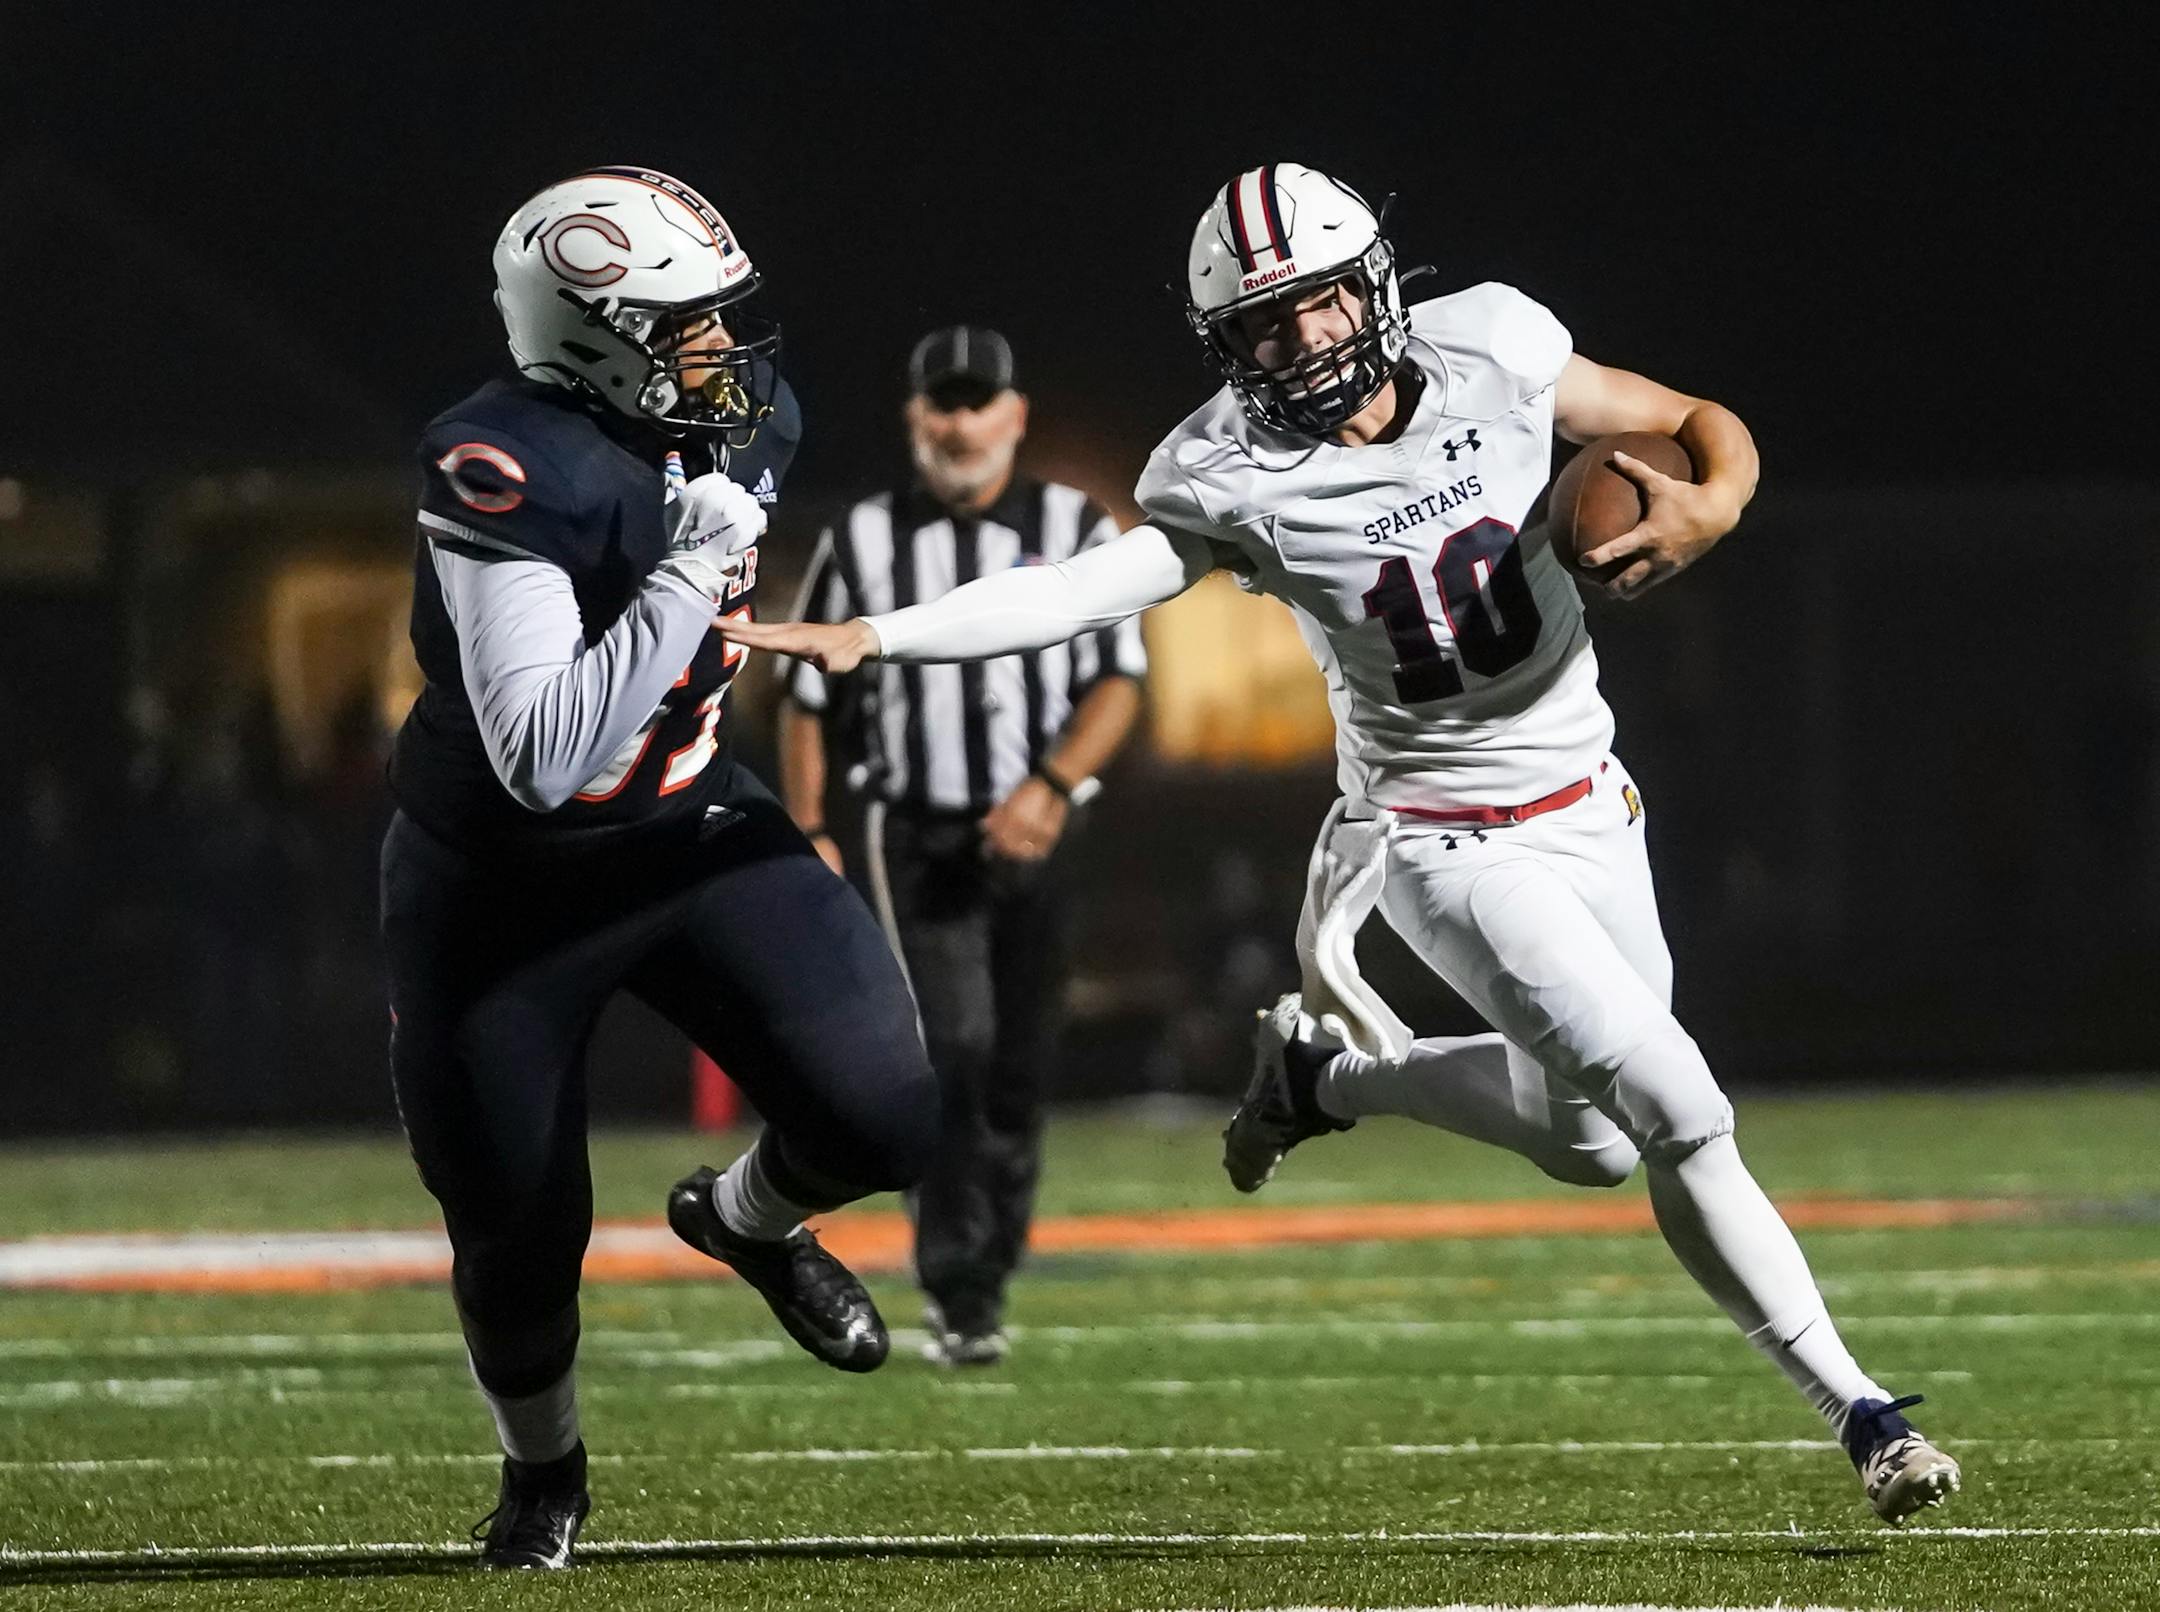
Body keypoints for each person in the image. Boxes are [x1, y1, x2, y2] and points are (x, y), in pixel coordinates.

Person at [722, 162, 1961, 1525]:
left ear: (1373, 283)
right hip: (1437, 840)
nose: (1301, 340)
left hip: (1589, 800)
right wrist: (877, 635)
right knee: (1680, 1105)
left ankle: (1325, 1082)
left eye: (1316, 302)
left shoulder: (1495, 343)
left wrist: (1716, 496)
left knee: (1599, 1148)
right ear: (1225, 344)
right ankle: (1865, 1415)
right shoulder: (1224, 470)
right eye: (1261, 324)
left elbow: (1689, 420)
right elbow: (1079, 589)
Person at [381, 166, 937, 1570]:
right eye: (689, 326)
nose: (724, 349)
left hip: (692, 829)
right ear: (593, 338)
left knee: (884, 1115)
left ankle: (746, 1223)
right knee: (517, 1234)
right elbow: (542, 753)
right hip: (505, 888)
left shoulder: (749, 417)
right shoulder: (502, 465)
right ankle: (545, 1474)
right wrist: (687, 575)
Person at [778, 326, 1145, 1364]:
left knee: (1020, 1062)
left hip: (1040, 825)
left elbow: (1120, 679)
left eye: (977, 401)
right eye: (941, 403)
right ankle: (958, 1282)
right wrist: (810, 825)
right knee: (953, 1049)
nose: (959, 423)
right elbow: (806, 691)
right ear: (914, 418)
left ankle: (992, 1258)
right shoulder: (864, 537)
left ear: (1015, 416)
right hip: (916, 828)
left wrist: (1051, 786)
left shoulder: (1077, 523)